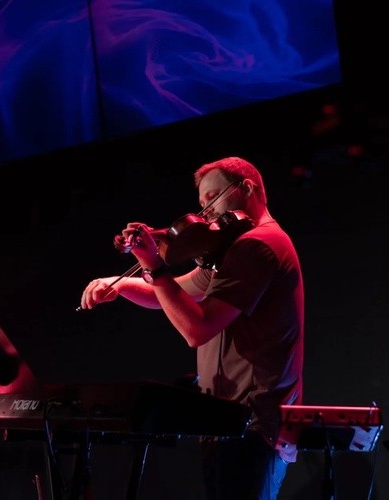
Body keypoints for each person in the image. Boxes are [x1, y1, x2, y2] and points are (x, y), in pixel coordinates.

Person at [79, 156, 304, 499]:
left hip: (253, 423)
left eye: (212, 199)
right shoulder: (232, 251)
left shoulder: (258, 246)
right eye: (202, 205)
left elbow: (197, 329)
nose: (206, 214)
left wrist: (154, 265)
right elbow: (173, 294)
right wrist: (121, 284)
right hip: (229, 421)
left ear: (247, 188)